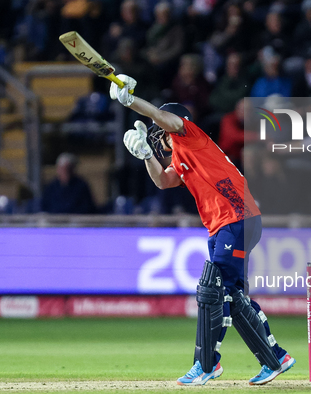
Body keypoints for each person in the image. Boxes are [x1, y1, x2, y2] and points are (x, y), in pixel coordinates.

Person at [109, 74, 295, 386]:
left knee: (213, 290)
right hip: (228, 224)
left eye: (161, 134)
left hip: (236, 218)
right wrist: (145, 155)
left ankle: (207, 364)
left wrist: (130, 101)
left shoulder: (192, 137)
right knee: (233, 296)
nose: (160, 138)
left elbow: (159, 116)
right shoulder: (183, 158)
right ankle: (275, 358)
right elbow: (164, 181)